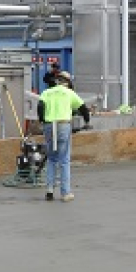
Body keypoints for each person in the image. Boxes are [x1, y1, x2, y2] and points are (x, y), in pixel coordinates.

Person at [37, 69, 90, 202]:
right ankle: (65, 193)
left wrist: (43, 120)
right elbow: (83, 108)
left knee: (51, 158)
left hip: (49, 126)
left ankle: (49, 190)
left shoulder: (46, 92)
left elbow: (40, 107)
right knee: (64, 160)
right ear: (67, 82)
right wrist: (87, 121)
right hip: (63, 125)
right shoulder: (69, 93)